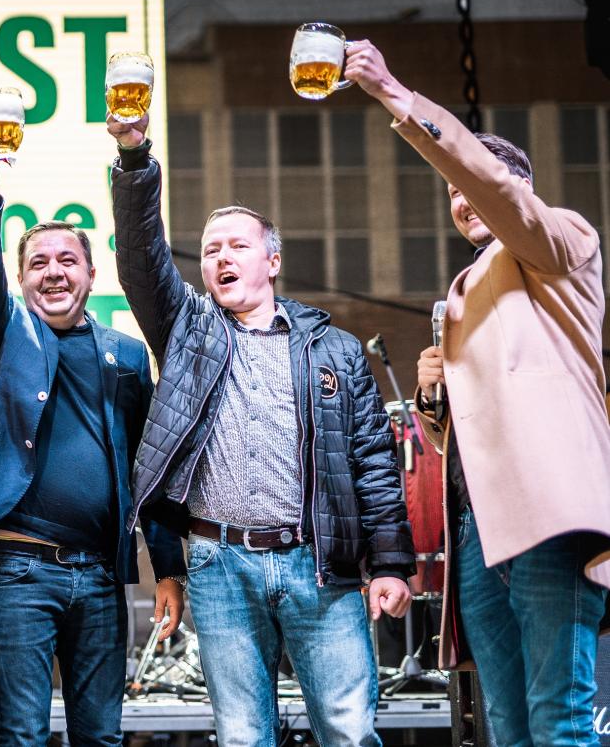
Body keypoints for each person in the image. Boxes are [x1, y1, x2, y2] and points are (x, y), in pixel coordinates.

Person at [111, 112, 415, 746]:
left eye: (238, 246)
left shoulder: (335, 349)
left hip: (318, 563)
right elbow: (140, 262)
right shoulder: (188, 332)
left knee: (350, 731)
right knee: (244, 736)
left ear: (273, 261)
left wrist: (390, 563)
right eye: (211, 249)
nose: (221, 257)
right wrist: (135, 156)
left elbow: (374, 462)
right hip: (220, 563)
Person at [346, 38, 610, 745]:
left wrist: (395, 95)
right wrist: (433, 401)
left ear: (514, 190)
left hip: (547, 513)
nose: (461, 199)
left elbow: (491, 183)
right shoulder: (468, 289)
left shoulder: (562, 242)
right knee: (507, 728)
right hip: (477, 526)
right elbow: (464, 437)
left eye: (469, 185)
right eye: (451, 195)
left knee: (560, 718)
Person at [0, 118, 186, 745]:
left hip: (102, 577)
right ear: (21, 279)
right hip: (19, 569)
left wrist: (168, 569)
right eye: (38, 264)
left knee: (101, 737)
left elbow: (150, 470)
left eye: (67, 261)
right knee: (22, 736)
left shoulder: (126, 354)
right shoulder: (3, 337)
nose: (53, 272)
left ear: (91, 274)